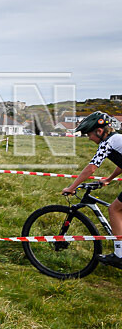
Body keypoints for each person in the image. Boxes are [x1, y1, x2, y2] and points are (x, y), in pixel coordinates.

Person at [62, 111, 122, 268]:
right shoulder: (117, 140)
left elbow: (91, 168)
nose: (88, 138)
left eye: (89, 134)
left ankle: (119, 255)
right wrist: (108, 179)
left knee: (114, 209)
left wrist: (71, 187)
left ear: (99, 131)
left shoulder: (107, 143)